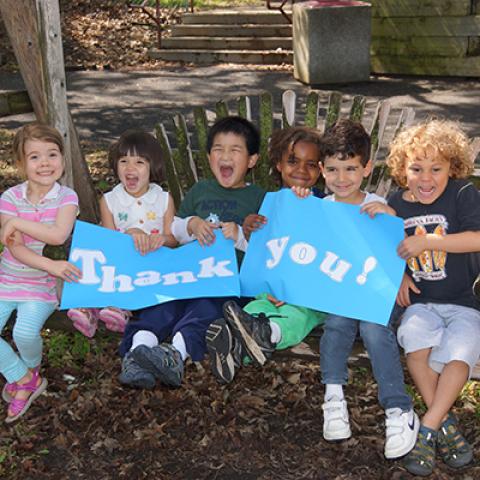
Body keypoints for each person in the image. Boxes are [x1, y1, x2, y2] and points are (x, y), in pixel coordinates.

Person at [118, 116, 265, 390]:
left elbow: (265, 251)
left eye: (235, 150)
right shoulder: (200, 191)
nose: (225, 155)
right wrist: (193, 224)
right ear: (209, 157)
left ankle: (175, 355)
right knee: (159, 304)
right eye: (219, 149)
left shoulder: (258, 198)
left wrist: (240, 237)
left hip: (227, 284)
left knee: (205, 310)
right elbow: (175, 229)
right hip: (187, 274)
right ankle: (137, 355)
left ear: (252, 160)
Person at [317, 119, 418, 460]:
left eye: (350, 168)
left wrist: (391, 218)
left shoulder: (377, 205)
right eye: (332, 169)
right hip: (345, 296)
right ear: (321, 169)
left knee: (374, 330)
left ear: (366, 168)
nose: (341, 178)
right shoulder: (321, 209)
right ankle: (333, 396)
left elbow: (403, 250)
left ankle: (398, 410)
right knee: (337, 324)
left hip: (380, 294)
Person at [384, 119, 480, 476]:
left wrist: (428, 241)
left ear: (451, 168)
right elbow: (384, 248)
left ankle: (428, 425)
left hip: (463, 303)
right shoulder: (396, 203)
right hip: (421, 304)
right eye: (416, 168)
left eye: (435, 169)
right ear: (401, 170)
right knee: (414, 344)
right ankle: (445, 426)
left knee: (460, 354)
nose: (426, 178)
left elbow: (477, 238)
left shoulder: (462, 194)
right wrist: (400, 276)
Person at [205, 127, 326, 384]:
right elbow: (262, 253)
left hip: (309, 294)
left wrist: (293, 291)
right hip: (270, 289)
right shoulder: (268, 204)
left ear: (320, 170)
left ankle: (265, 334)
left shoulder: (326, 208)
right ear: (279, 165)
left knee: (296, 318)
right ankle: (238, 350)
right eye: (293, 161)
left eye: (311, 164)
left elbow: (325, 257)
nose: (301, 171)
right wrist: (249, 232)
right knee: (249, 312)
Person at [0, 123, 81, 423]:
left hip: (41, 287)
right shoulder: (9, 198)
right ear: (21, 163)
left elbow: (58, 235)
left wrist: (17, 224)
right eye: (34, 157)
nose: (45, 163)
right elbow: (17, 250)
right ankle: (23, 378)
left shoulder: (67, 198)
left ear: (62, 158)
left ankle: (30, 371)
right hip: (6, 280)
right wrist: (53, 264)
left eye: (52, 154)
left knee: (24, 332)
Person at [67, 130, 177, 337]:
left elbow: (173, 240)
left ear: (152, 166)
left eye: (139, 162)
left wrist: (161, 239)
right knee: (94, 257)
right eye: (124, 161)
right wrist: (130, 233)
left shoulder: (163, 199)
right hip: (119, 266)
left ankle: (119, 309)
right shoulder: (109, 200)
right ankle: (91, 310)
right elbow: (110, 245)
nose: (130, 168)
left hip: (152, 267)